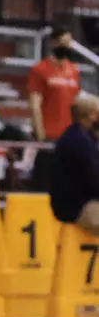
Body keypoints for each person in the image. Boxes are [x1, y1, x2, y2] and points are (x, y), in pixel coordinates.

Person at [28, 27, 81, 191]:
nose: (66, 46)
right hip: (49, 137)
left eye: (68, 43)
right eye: (62, 43)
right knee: (44, 186)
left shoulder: (73, 71)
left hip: (69, 138)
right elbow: (35, 104)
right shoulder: (39, 70)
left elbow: (75, 104)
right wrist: (41, 134)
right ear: (52, 43)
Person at [50, 92, 99, 235]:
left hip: (73, 203)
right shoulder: (80, 143)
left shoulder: (76, 136)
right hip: (77, 208)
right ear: (91, 116)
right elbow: (94, 180)